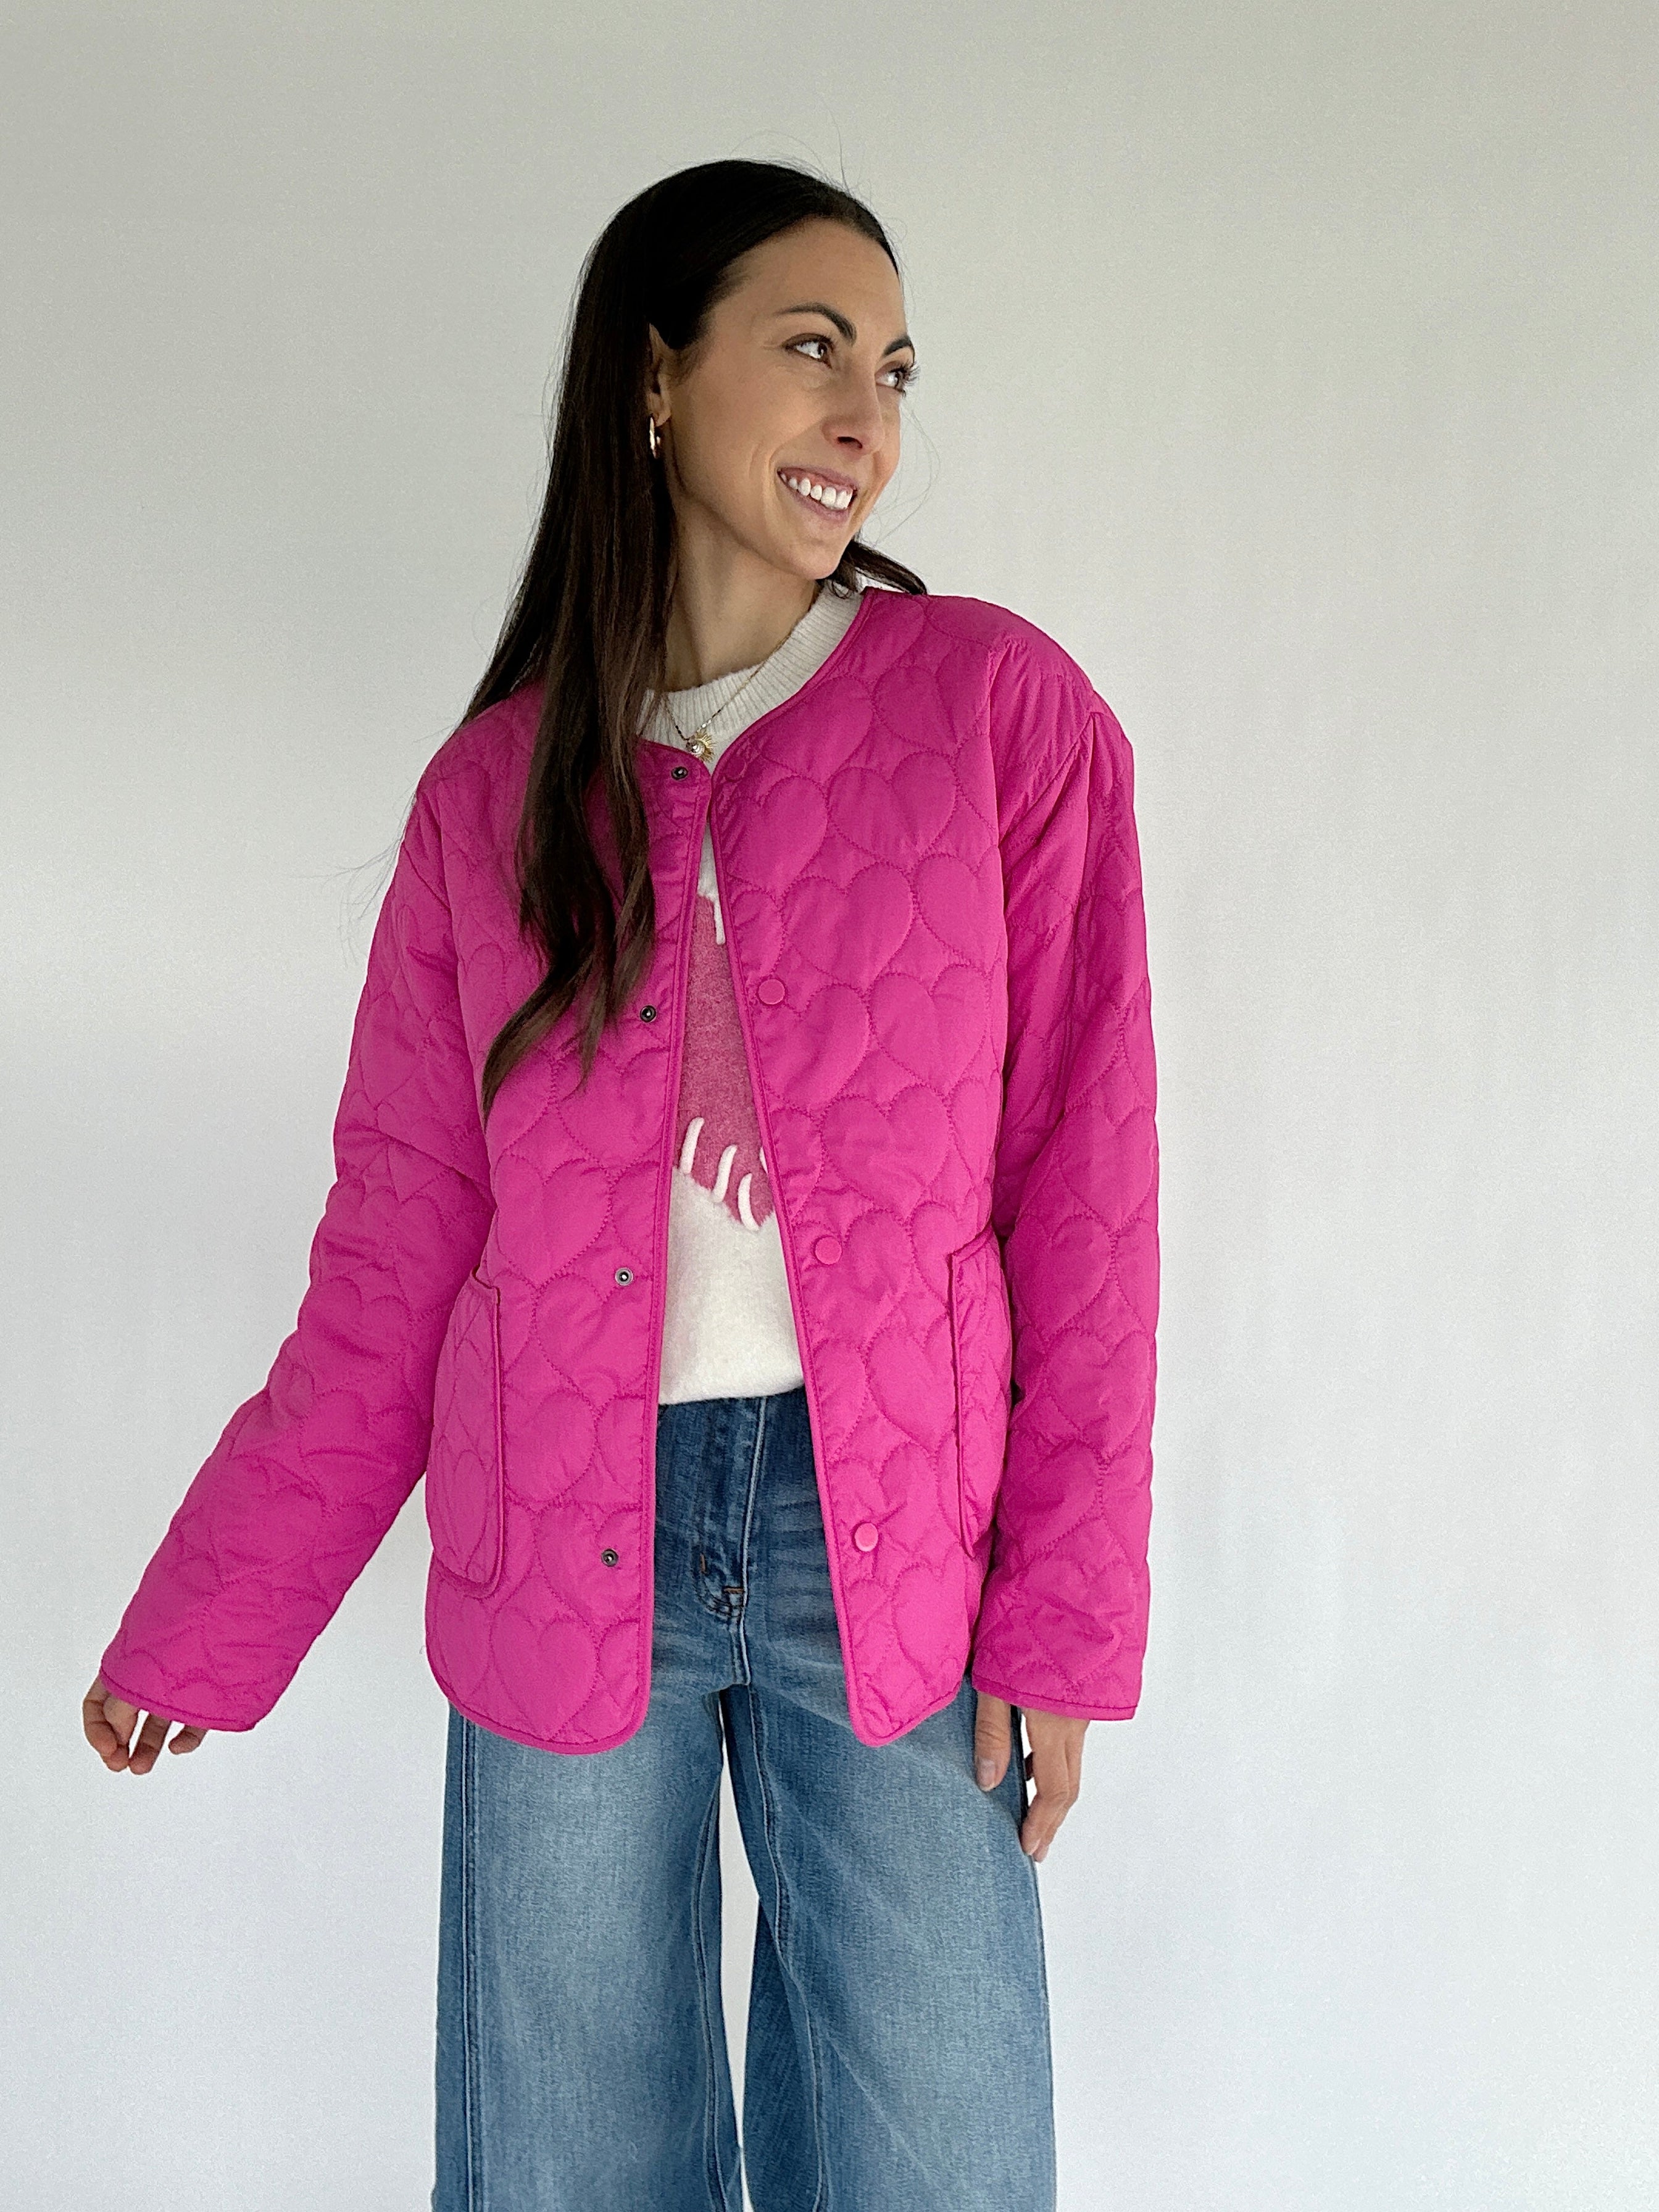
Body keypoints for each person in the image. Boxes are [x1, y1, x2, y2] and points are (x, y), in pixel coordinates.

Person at [81, 158, 1160, 2211]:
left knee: (940, 2155)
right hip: (569, 1539)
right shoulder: (494, 795)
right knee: (571, 2161)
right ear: (658, 380)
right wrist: (203, 1621)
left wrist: (1067, 1614)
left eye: (896, 370)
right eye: (813, 349)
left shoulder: (998, 713)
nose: (868, 417)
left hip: (900, 1548)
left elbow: (1087, 1194)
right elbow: (397, 1259)